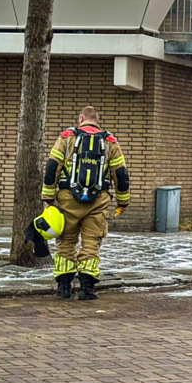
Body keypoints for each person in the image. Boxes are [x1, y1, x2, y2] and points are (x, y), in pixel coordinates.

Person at [41, 106, 130, 300]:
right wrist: (123, 202)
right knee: (91, 243)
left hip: (67, 200)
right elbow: (121, 175)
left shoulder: (66, 137)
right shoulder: (110, 142)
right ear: (97, 121)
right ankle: (86, 289)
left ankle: (64, 288)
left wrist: (48, 197)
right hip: (98, 202)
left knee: (66, 242)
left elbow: (52, 168)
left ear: (81, 118)